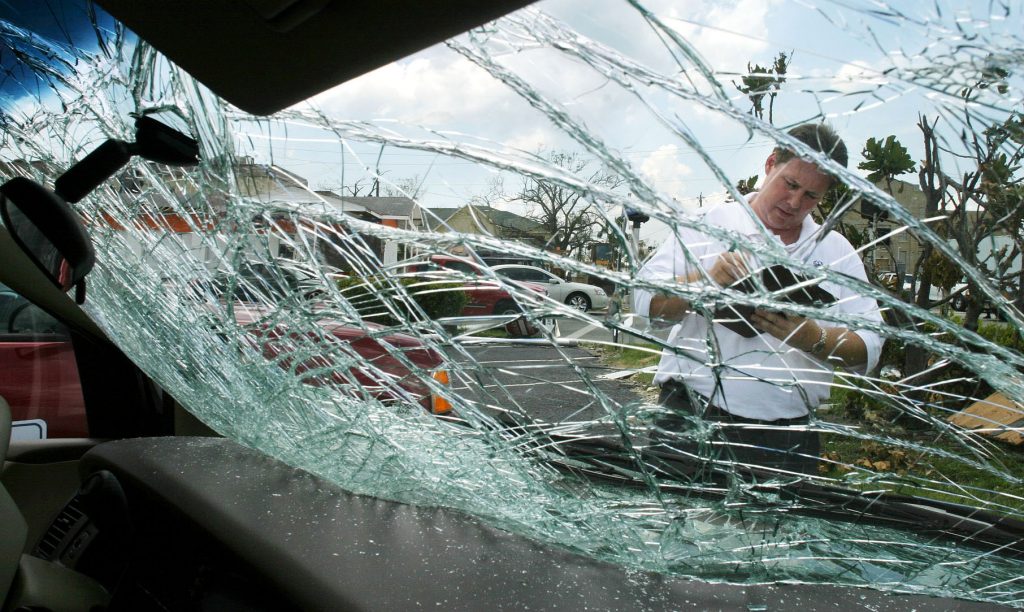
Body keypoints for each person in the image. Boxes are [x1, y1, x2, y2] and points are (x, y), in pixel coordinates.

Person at [634, 123, 884, 477]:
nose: (795, 203)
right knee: (677, 524)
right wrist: (703, 282)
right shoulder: (705, 224)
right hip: (690, 421)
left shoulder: (836, 252)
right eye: (791, 184)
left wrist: (813, 339)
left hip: (786, 440)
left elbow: (871, 346)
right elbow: (644, 301)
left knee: (774, 533)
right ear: (770, 164)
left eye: (811, 196)